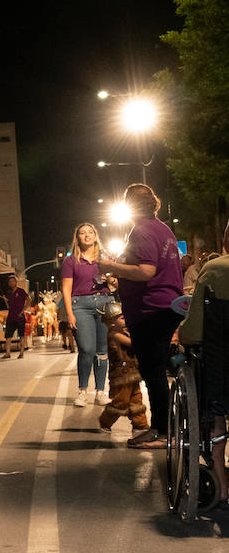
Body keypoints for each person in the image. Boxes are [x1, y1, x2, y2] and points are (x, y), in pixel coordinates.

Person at [99, 183, 184, 448]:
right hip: (167, 306)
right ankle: (166, 427)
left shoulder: (143, 230)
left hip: (151, 309)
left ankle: (161, 431)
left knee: (154, 372)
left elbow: (146, 271)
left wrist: (112, 266)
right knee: (158, 370)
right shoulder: (164, 229)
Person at [178, 220, 229, 503]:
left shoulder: (214, 269)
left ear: (225, 242)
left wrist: (182, 335)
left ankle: (222, 486)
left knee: (216, 409)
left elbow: (195, 331)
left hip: (222, 375)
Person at [61, 223, 112, 406]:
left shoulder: (104, 258)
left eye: (90, 232)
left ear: (96, 236)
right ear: (77, 238)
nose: (87, 235)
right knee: (87, 349)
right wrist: (69, 313)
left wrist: (111, 278)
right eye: (82, 233)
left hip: (104, 303)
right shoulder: (71, 261)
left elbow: (116, 281)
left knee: (102, 350)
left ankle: (100, 391)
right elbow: (66, 289)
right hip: (80, 306)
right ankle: (82, 392)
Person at [96, 305, 150, 441]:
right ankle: (105, 421)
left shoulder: (123, 332)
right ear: (112, 323)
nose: (125, 320)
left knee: (136, 400)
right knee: (120, 401)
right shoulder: (115, 335)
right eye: (122, 318)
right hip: (121, 375)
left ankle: (140, 424)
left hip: (132, 373)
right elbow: (133, 343)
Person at [0, 275, 28, 358]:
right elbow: (9, 306)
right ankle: (8, 353)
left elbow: (29, 300)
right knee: (8, 336)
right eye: (10, 282)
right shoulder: (9, 293)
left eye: (13, 281)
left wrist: (23, 311)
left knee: (21, 335)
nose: (11, 283)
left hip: (20, 317)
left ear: (16, 282)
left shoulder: (21, 291)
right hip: (11, 317)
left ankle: (21, 353)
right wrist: (6, 300)